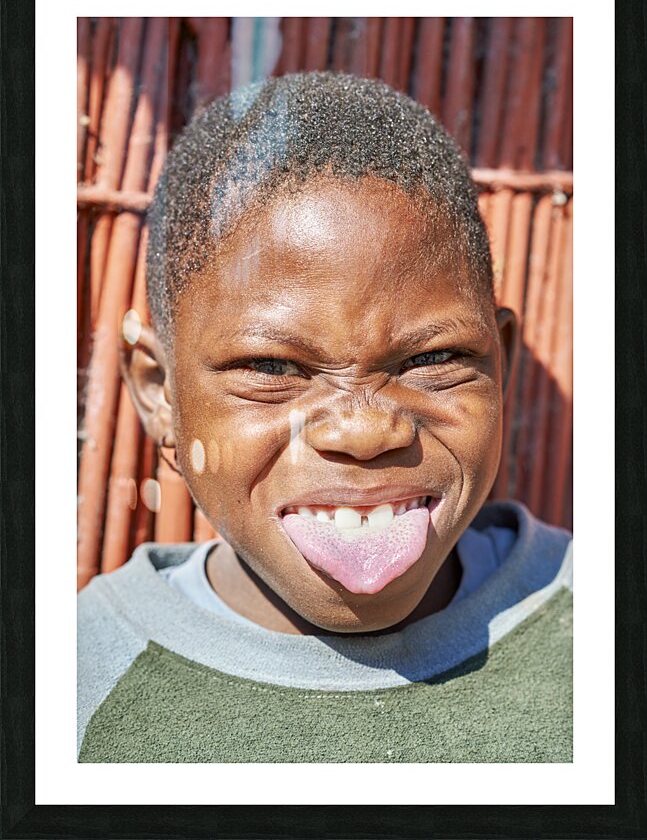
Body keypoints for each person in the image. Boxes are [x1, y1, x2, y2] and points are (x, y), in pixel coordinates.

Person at [77, 72, 572, 763]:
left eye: (434, 358)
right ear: (162, 395)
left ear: (502, 364)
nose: (365, 432)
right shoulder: (73, 685)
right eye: (271, 369)